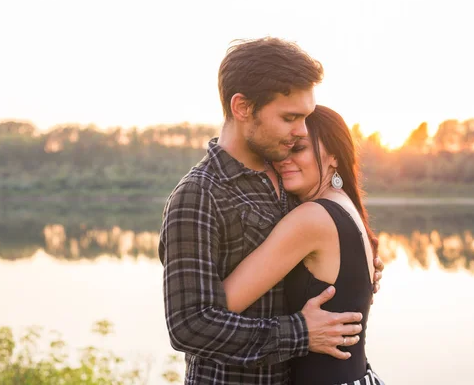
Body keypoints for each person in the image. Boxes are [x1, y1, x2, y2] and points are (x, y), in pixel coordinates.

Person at [159, 37, 383, 385]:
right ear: (243, 108)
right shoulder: (199, 195)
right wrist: (300, 333)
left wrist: (353, 274)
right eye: (290, 117)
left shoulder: (289, 177)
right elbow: (189, 325)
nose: (299, 131)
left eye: (305, 117)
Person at [222, 105, 384, 384]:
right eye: (281, 149)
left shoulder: (311, 218)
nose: (284, 158)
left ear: (334, 155)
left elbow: (220, 304)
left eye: (298, 149)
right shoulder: (345, 206)